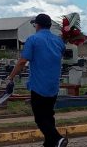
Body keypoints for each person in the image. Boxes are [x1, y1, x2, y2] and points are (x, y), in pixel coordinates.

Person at [7, 13, 68, 147]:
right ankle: (49, 143)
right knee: (48, 115)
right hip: (53, 85)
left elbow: (23, 61)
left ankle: (57, 139)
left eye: (35, 24)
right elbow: (62, 52)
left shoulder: (33, 39)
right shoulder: (58, 41)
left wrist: (11, 77)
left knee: (40, 118)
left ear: (37, 25)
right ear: (50, 26)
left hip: (39, 85)